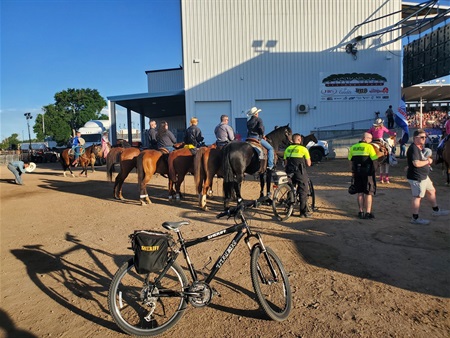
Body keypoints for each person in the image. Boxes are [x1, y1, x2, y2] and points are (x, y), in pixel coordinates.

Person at [406, 129, 449, 225]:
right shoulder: (413, 149)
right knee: (417, 197)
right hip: (417, 177)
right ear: (415, 138)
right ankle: (415, 218)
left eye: (425, 137)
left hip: (424, 176)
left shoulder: (419, 147)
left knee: (431, 190)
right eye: (422, 137)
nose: (424, 139)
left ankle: (436, 210)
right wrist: (428, 161)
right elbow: (416, 163)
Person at [348, 132, 379, 219]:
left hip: (357, 172)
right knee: (369, 193)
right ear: (365, 138)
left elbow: (350, 161)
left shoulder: (353, 147)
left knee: (360, 192)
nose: (371, 141)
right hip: (368, 173)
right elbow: (374, 160)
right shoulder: (369, 147)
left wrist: (352, 171)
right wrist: (375, 171)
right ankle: (368, 213)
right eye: (370, 139)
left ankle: (361, 212)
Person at [283, 134, 312, 218]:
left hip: (289, 172)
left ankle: (289, 209)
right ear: (299, 140)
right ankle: (303, 212)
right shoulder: (303, 149)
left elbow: (285, 163)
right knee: (303, 190)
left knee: (290, 189)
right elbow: (309, 164)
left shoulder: (287, 149)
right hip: (300, 172)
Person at [367, 118, 397, 183]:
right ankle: (389, 158)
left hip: (373, 140)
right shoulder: (382, 128)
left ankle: (381, 178)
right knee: (389, 148)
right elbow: (389, 132)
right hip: (380, 140)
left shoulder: (372, 128)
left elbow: (367, 133)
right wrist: (394, 133)